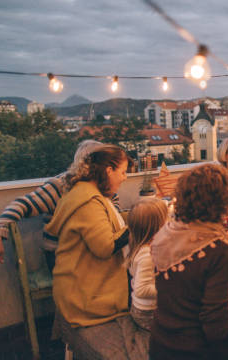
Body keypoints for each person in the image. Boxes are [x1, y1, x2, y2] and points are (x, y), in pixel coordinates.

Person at [150, 163, 228, 359]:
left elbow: (188, 286)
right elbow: (216, 329)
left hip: (160, 345)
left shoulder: (165, 234)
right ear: (223, 201)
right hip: (195, 351)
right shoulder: (215, 248)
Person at [45, 145, 147, 359]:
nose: (124, 178)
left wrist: (138, 215)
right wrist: (141, 225)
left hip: (73, 283)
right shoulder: (88, 201)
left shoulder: (83, 192)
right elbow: (105, 247)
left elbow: (110, 224)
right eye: (122, 171)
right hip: (84, 297)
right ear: (108, 170)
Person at [0, 139, 119, 273]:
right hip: (62, 257)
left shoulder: (105, 184)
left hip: (90, 251)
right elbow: (21, 205)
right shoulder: (62, 185)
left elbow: (115, 212)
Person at [125, 198, 167, 331]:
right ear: (157, 227)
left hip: (144, 309)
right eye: (166, 220)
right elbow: (141, 289)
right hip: (147, 314)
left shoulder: (139, 245)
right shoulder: (147, 255)